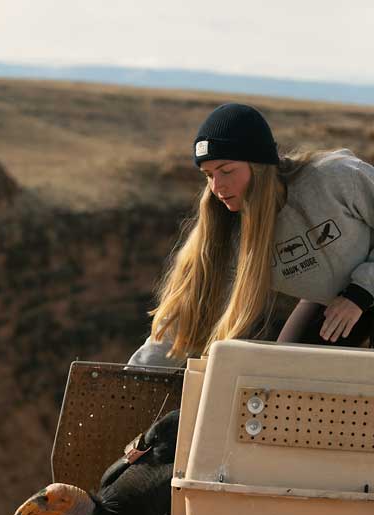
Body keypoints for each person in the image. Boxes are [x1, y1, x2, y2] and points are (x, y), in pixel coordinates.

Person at [128, 103, 374, 369]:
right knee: (285, 383)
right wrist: (132, 379)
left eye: (227, 170)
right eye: (208, 175)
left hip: (360, 291)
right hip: (333, 304)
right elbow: (187, 315)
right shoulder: (231, 233)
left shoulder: (336, 178)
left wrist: (360, 293)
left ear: (259, 165)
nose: (217, 186)